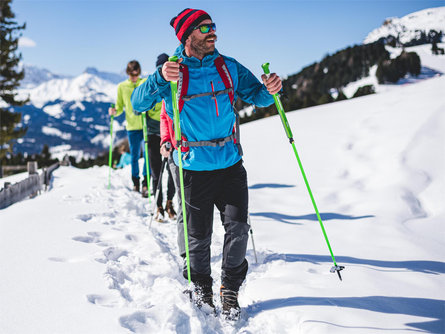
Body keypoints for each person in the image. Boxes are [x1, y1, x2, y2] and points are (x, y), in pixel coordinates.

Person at [131, 8, 282, 318]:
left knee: (238, 228)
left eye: (213, 26)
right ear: (188, 36)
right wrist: (159, 77)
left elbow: (259, 95)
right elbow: (137, 104)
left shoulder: (227, 66)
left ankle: (229, 290)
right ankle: (202, 287)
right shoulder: (172, 70)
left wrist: (272, 89)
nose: (212, 31)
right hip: (192, 168)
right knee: (198, 238)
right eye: (204, 27)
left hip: (230, 163)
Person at [142, 54, 177, 221]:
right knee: (157, 173)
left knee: (173, 173)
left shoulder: (174, 86)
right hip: (153, 135)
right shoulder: (153, 86)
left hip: (171, 136)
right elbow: (140, 106)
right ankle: (159, 206)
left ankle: (169, 202)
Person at [109, 61, 148, 194]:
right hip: (132, 127)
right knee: (134, 156)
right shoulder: (122, 87)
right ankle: (135, 182)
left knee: (147, 155)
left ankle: (146, 183)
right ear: (128, 73)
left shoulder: (144, 83)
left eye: (136, 74)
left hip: (145, 125)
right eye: (131, 74)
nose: (134, 77)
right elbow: (119, 107)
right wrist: (115, 111)